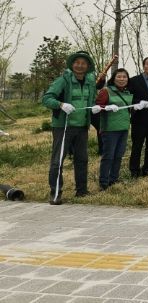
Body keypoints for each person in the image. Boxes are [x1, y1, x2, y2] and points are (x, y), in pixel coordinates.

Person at [42, 51, 97, 205]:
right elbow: (46, 99)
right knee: (58, 160)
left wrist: (94, 107)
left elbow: (91, 100)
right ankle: (55, 193)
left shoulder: (90, 82)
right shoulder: (63, 80)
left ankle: (82, 191)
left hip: (82, 127)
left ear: (87, 66)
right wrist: (60, 104)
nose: (80, 65)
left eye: (83, 63)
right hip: (63, 127)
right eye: (77, 62)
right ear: (72, 65)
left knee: (82, 159)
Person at [94, 68, 132, 190]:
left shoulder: (127, 92)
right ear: (113, 78)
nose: (122, 79)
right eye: (119, 77)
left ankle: (114, 179)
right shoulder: (106, 91)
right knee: (108, 156)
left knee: (119, 155)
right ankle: (103, 182)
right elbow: (96, 106)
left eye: (124, 77)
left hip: (124, 128)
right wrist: (106, 107)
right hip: (110, 129)